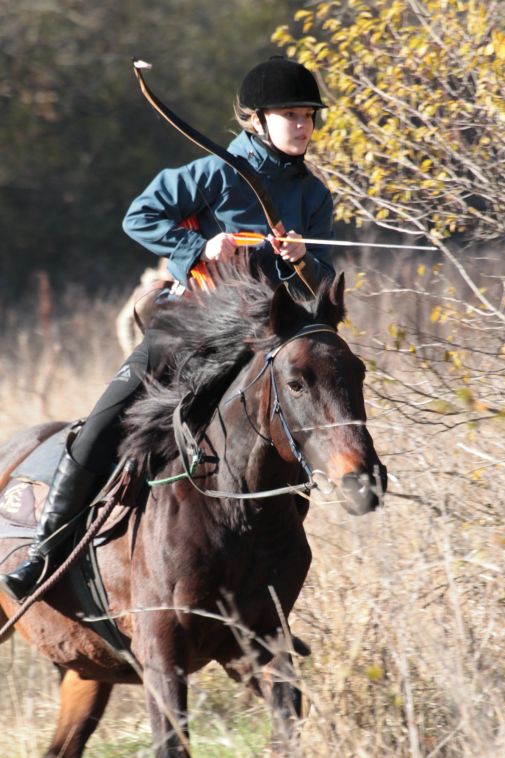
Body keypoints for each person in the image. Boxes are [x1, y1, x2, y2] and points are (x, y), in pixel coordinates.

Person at [0, 55, 335, 602]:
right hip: (191, 327)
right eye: (290, 114)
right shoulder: (216, 171)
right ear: (257, 119)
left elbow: (318, 287)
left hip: (264, 344)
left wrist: (302, 260)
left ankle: (265, 588)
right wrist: (198, 246)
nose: (302, 125)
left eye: (307, 115)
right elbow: (140, 216)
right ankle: (44, 551)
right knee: (100, 428)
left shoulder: (315, 197)